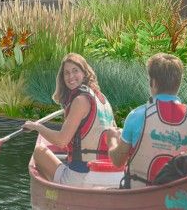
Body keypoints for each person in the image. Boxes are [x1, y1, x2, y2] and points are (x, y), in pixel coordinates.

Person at [110, 53, 187, 188]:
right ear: (179, 83)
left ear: (152, 82)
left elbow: (118, 161)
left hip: (140, 200)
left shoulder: (136, 116)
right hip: (179, 203)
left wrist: (112, 140)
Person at [25, 53, 118, 187]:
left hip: (81, 177)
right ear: (62, 78)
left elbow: (61, 141)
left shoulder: (80, 101)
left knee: (39, 152)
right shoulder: (102, 99)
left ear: (84, 73)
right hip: (106, 175)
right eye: (66, 73)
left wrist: (36, 126)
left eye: (75, 71)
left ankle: (57, 193)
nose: (70, 76)